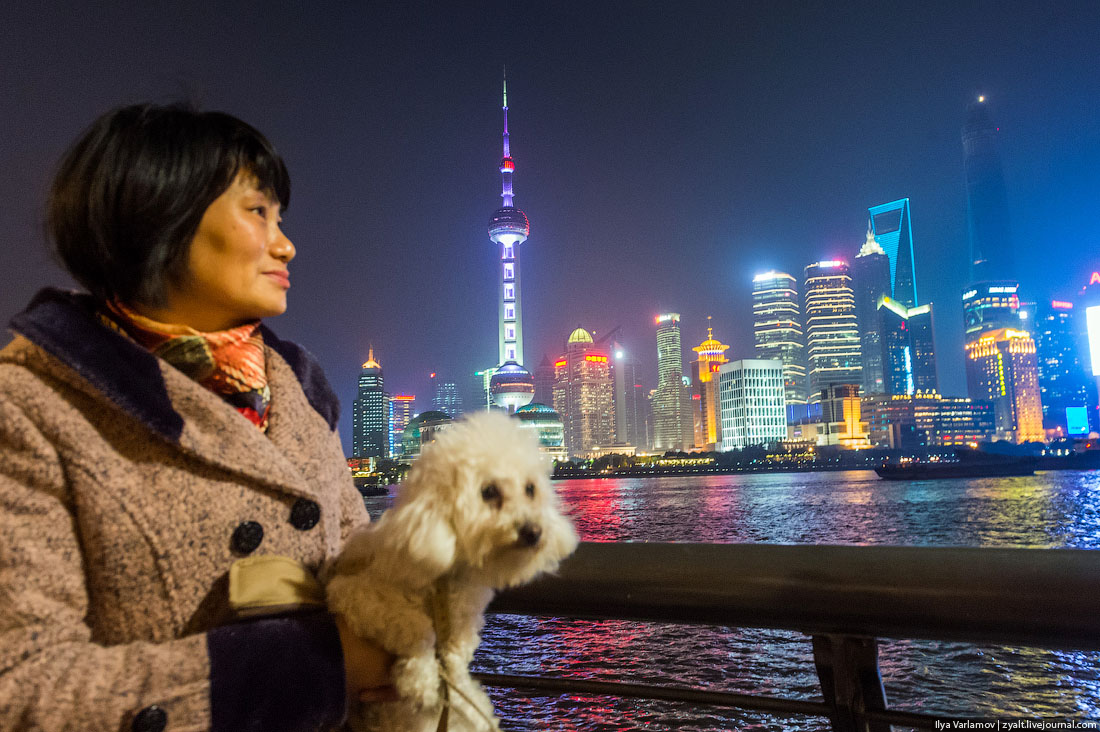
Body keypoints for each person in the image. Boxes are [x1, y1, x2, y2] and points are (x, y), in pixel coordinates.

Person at [0, 103, 392, 732]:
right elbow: (23, 690)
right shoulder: (33, 408)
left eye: (281, 217)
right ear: (161, 217)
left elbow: (360, 571)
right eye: (257, 212)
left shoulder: (298, 393)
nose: (286, 244)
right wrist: (312, 667)